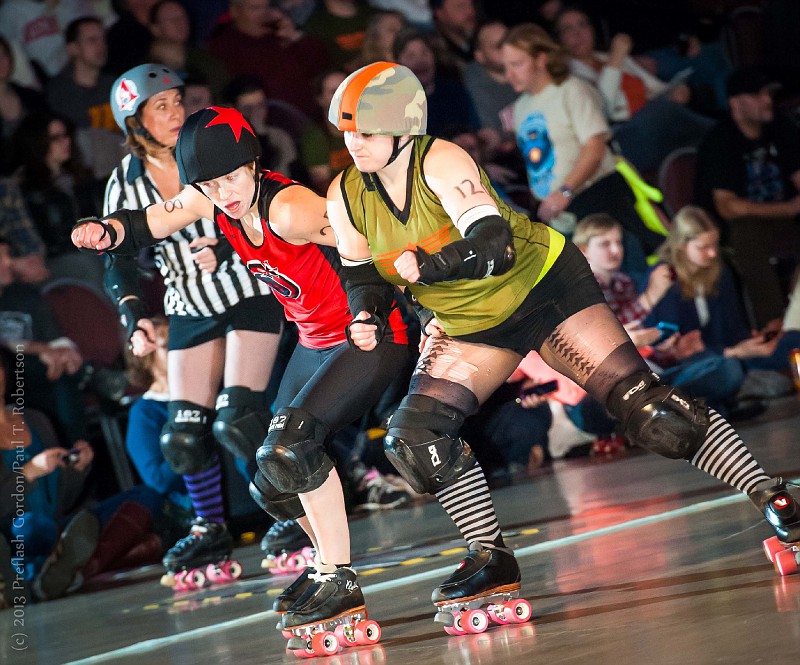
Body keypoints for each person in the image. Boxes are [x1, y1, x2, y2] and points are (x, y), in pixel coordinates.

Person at [325, 61, 800, 618]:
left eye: (366, 131)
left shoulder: (441, 159)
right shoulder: (346, 193)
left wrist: (429, 267)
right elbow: (360, 273)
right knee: (415, 437)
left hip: (541, 288)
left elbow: (493, 243)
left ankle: (774, 496)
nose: (353, 143)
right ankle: (491, 557)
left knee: (647, 411)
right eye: (346, 132)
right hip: (469, 322)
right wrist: (365, 313)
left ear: (404, 128)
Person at [71, 105, 411, 640]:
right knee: (270, 476)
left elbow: (365, 245)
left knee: (293, 446)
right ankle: (325, 565)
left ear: (253, 164)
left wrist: (377, 310)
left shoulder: (290, 208)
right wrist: (105, 230)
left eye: (231, 178)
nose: (224, 194)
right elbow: (151, 222)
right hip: (315, 340)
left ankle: (339, 577)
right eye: (209, 185)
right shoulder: (212, 197)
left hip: (366, 333)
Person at [103, 64, 284, 584]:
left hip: (248, 288)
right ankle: (211, 528)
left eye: (178, 100)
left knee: (240, 419)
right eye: (162, 106)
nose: (177, 111)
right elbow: (118, 259)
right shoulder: (125, 181)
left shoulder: (206, 145)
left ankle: (287, 511)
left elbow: (263, 194)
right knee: (183, 435)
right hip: (188, 305)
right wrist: (135, 315)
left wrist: (227, 240)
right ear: (134, 122)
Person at [500, 22, 666, 282]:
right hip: (562, 214)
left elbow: (595, 145)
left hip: (600, 198)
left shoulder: (571, 90)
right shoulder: (520, 108)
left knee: (629, 277)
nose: (509, 74)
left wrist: (564, 191)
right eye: (506, 66)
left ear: (541, 59)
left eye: (517, 64)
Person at [696, 67, 800, 328]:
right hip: (739, 224)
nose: (768, 100)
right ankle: (776, 331)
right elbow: (729, 207)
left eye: (769, 94)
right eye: (759, 95)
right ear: (736, 102)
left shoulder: (781, 127)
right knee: (746, 236)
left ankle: (795, 314)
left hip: (782, 214)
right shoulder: (720, 140)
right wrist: (788, 208)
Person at [645, 206, 800, 380]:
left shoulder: (719, 271)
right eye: (703, 247)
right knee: (728, 369)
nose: (712, 253)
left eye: (714, 245)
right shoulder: (665, 277)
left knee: (794, 339)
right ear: (681, 245)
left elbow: (733, 324)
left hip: (729, 351)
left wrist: (755, 340)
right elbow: (676, 347)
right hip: (693, 361)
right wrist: (733, 352)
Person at [553, 6, 713, 173]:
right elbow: (603, 110)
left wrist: (674, 93)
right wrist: (615, 60)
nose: (578, 33)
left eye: (583, 25)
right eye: (568, 29)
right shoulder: (567, 76)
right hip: (621, 138)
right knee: (660, 112)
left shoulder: (610, 57)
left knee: (690, 128)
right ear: (559, 40)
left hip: (654, 123)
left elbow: (657, 90)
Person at [12, 111, 105, 292]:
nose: (66, 142)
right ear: (38, 144)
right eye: (56, 138)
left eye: (66, 135)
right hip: (55, 260)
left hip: (91, 251)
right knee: (88, 265)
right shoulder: (26, 190)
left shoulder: (80, 179)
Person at [45, 16, 124, 180]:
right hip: (86, 173)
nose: (101, 46)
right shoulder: (60, 91)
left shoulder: (115, 84)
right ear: (73, 48)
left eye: (103, 39)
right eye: (92, 40)